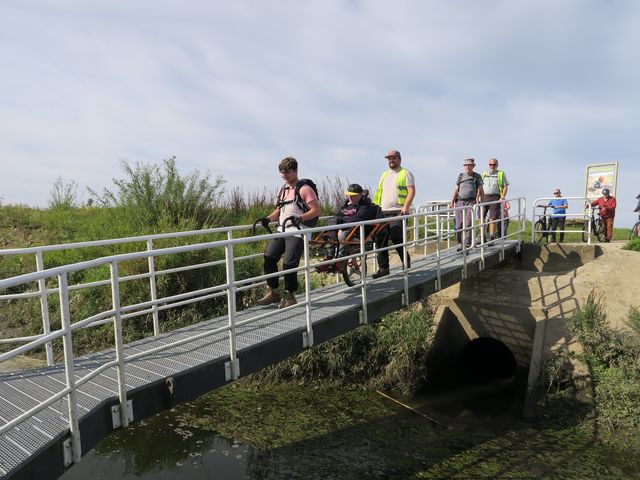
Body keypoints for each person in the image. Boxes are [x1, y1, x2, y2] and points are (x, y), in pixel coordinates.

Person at [256, 157, 320, 308]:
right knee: (269, 257)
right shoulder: (282, 190)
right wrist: (268, 218)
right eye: (282, 173)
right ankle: (273, 292)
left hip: (298, 231)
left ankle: (290, 295)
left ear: (295, 171)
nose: (285, 176)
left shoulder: (305, 189)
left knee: (289, 263)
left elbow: (316, 210)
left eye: (288, 173)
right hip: (282, 229)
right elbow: (279, 210)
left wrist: (301, 217)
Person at [371, 149, 415, 278]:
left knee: (396, 238)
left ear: (399, 159)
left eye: (393, 158)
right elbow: (379, 193)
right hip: (383, 211)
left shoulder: (405, 173)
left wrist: (406, 207)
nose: (391, 160)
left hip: (398, 211)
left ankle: (406, 263)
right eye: (389, 158)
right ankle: (383, 268)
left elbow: (411, 191)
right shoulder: (384, 174)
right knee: (380, 239)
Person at [318, 184, 376, 272]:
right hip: (345, 226)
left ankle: (341, 260)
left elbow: (358, 218)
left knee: (344, 235)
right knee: (329, 233)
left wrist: (342, 228)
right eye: (349, 195)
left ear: (360, 195)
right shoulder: (347, 203)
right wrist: (335, 222)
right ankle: (329, 258)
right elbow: (339, 215)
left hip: (358, 229)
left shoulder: (365, 204)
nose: (350, 197)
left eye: (353, 195)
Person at [449, 158, 484, 249]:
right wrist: (452, 201)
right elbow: (456, 189)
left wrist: (482, 203)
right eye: (465, 165)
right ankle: (461, 242)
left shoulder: (477, 176)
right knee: (459, 224)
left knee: (468, 223)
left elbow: (481, 190)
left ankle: (467, 244)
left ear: (473, 166)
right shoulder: (460, 176)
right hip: (460, 201)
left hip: (471, 202)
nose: (467, 167)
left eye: (469, 165)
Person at [481, 158, 510, 240]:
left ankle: (491, 236)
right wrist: (477, 196)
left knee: (492, 218)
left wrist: (503, 196)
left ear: (497, 165)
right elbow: (480, 186)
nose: (492, 166)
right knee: (481, 217)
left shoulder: (501, 173)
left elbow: (505, 185)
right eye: (490, 164)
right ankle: (482, 236)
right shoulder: (484, 173)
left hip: (495, 197)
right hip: (484, 197)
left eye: (494, 164)